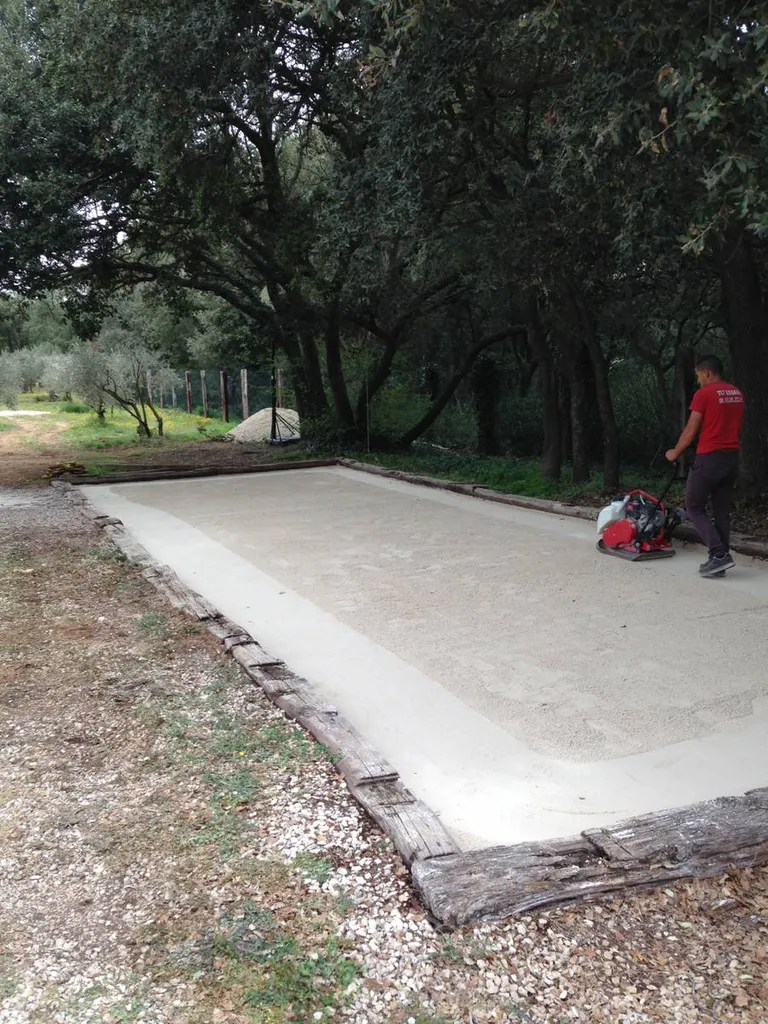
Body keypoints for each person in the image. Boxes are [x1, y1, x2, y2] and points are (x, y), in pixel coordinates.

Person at [666, 355, 744, 578]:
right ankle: (719, 560)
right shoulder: (736, 393)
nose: (699, 380)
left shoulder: (704, 394)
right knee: (721, 511)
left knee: (693, 505)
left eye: (699, 376)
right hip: (731, 458)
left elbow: (691, 430)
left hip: (710, 457)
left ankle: (718, 554)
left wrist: (675, 453)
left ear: (707, 372)